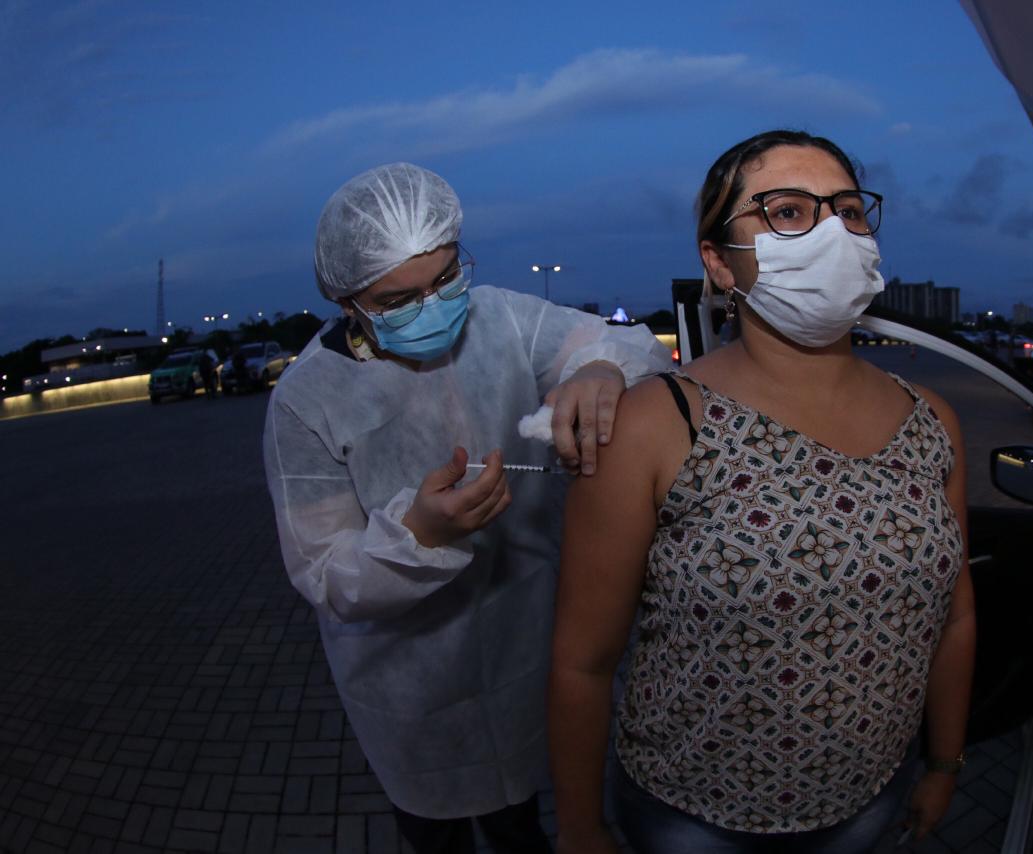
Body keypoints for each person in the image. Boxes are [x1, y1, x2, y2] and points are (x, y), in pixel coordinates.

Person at [548, 130, 975, 853]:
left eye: (848, 209)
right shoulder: (657, 424)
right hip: (693, 818)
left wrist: (943, 763)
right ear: (719, 263)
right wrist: (581, 827)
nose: (833, 231)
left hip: (872, 799)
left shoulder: (932, 420)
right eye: (786, 212)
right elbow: (582, 663)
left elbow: (955, 618)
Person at [263, 163, 671, 854]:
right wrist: (418, 535)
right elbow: (326, 574)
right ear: (345, 300)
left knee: (520, 819)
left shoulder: (504, 317)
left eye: (447, 279)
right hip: (407, 682)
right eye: (398, 299)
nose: (434, 306)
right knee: (436, 828)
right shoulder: (305, 401)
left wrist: (600, 371)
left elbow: (621, 343)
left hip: (525, 641)